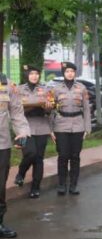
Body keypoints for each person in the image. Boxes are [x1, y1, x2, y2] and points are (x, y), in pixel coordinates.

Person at [51, 62, 91, 195]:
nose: (70, 73)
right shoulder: (56, 89)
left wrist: (87, 128)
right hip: (61, 125)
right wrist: (51, 129)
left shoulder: (82, 88)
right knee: (63, 156)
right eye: (67, 71)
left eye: (72, 71)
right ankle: (61, 184)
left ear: (75, 73)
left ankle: (74, 185)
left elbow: (86, 109)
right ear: (63, 73)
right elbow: (51, 110)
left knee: (75, 156)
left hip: (78, 125)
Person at [14, 65, 52, 198]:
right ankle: (21, 173)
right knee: (30, 153)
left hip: (41, 126)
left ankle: (35, 187)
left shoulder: (46, 89)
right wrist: (33, 106)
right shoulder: (18, 90)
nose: (34, 76)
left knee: (39, 158)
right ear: (27, 75)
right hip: (25, 127)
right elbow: (16, 109)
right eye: (31, 74)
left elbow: (50, 109)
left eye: (36, 74)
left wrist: (47, 107)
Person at [0, 74, 31, 238]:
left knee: (0, 186)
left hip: (2, 145)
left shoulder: (8, 86)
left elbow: (17, 113)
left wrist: (23, 133)